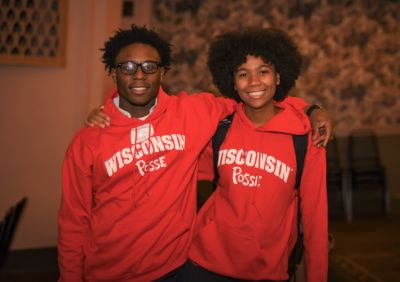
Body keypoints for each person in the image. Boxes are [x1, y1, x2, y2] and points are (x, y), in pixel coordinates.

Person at [60, 25, 332, 281]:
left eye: (150, 66)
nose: (139, 74)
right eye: (128, 67)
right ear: (113, 72)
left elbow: (258, 98)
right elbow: (73, 222)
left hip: (176, 268)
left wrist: (310, 109)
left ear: (163, 72)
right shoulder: (89, 140)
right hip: (146, 270)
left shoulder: (194, 113)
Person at [180, 28, 328, 282]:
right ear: (233, 83)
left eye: (263, 71)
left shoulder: (304, 139)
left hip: (267, 271)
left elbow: (316, 221)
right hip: (204, 265)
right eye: (242, 74)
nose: (254, 82)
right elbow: (171, 172)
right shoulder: (219, 130)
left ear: (279, 76)